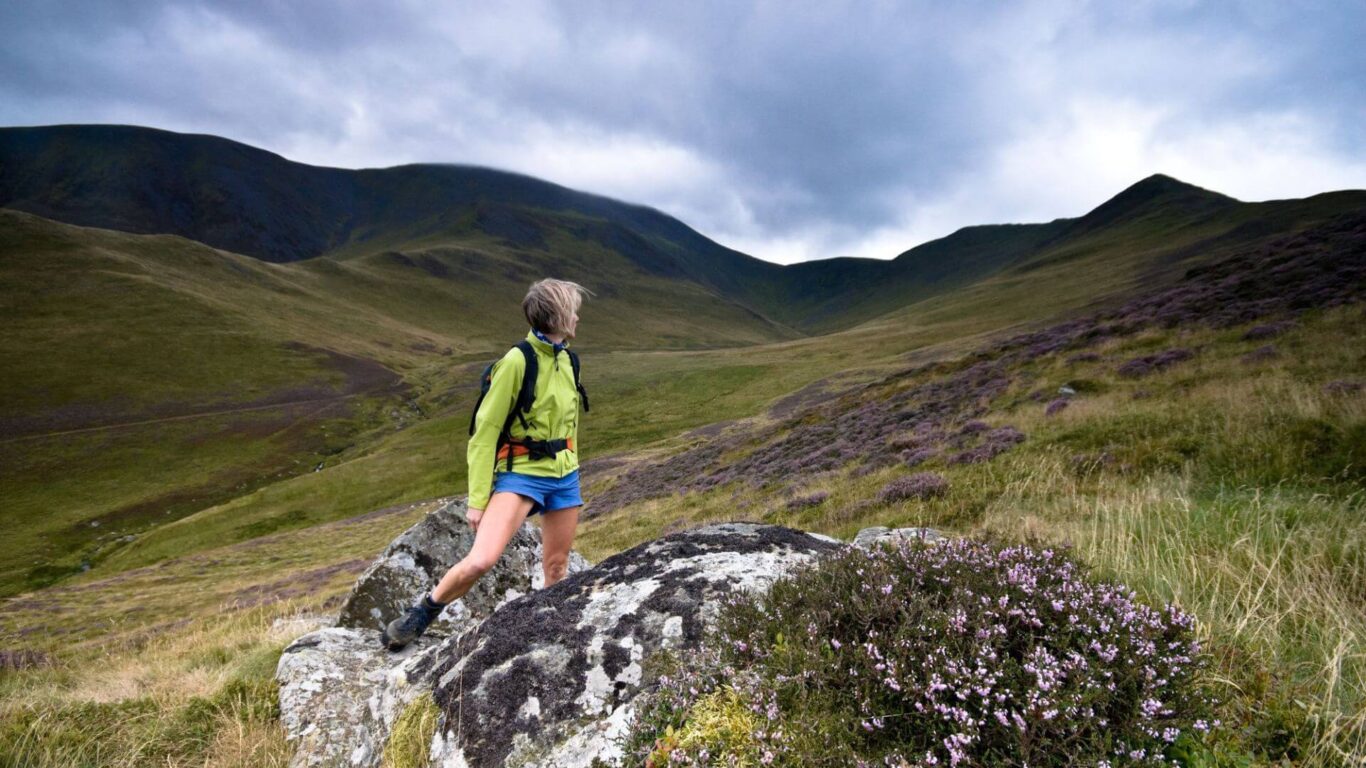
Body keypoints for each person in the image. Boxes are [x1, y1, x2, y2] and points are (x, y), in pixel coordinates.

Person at [382, 278, 593, 651]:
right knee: (481, 560)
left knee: (557, 567)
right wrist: (478, 499)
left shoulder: (570, 361)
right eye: (573, 309)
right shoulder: (516, 361)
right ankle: (423, 614)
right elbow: (484, 433)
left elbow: (571, 421)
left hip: (564, 476)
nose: (577, 316)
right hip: (522, 475)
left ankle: (548, 632)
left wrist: (571, 468)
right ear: (559, 315)